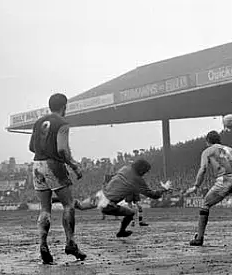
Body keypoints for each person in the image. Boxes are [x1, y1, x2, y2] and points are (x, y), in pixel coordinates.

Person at [29, 92, 85, 265]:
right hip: (54, 165)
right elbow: (62, 149)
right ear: (64, 106)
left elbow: (31, 147)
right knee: (68, 204)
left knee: (45, 209)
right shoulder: (62, 123)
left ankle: (43, 244)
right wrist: (74, 165)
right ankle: (70, 243)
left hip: (37, 165)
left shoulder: (39, 122)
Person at [184, 131, 232, 246]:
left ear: (208, 141)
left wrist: (196, 186)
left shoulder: (208, 151)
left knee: (205, 205)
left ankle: (199, 238)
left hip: (225, 180)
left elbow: (203, 169)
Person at [97, 159, 167, 237]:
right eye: (145, 171)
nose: (145, 173)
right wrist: (163, 190)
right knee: (130, 212)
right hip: (109, 204)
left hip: (103, 198)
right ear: (141, 169)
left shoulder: (125, 168)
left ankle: (126, 227)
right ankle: (122, 231)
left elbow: (113, 176)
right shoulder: (137, 179)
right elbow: (153, 195)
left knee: (131, 209)